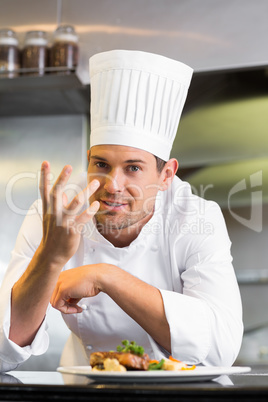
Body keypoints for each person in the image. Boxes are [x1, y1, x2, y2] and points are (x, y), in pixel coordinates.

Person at [0, 50, 243, 372]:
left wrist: (107, 276)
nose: (112, 185)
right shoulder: (53, 215)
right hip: (86, 388)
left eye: (133, 168)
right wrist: (51, 257)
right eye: (101, 164)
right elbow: (4, 353)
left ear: (166, 175)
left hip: (181, 390)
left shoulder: (196, 218)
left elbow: (219, 350)